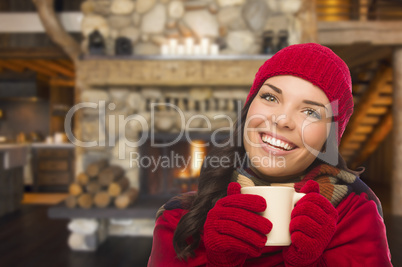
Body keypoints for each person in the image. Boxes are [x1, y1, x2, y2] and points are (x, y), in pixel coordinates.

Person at [147, 43, 392, 266]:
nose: (282, 119)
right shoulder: (178, 217)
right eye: (270, 97)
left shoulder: (355, 212)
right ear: (249, 107)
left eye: (311, 112)